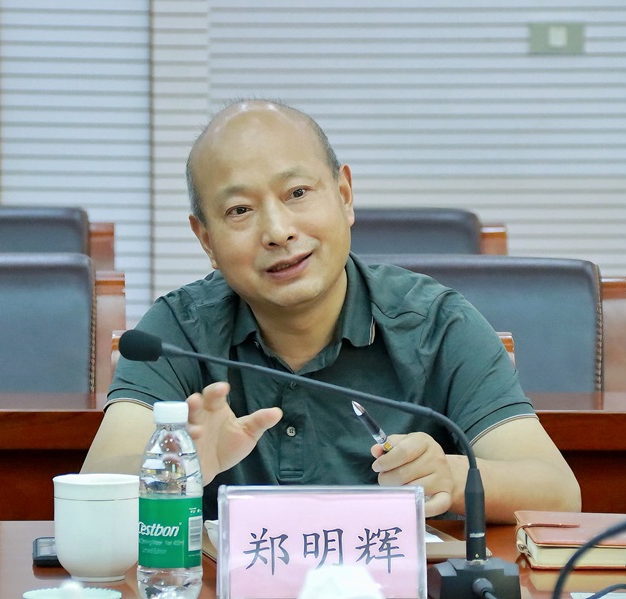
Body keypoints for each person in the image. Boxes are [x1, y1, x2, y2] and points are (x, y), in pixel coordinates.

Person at [82, 99, 581, 523]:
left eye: (297, 193)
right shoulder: (176, 332)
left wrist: (450, 474)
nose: (278, 231)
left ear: (344, 196)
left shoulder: (437, 324)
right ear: (206, 240)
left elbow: (557, 493)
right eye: (240, 210)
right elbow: (96, 489)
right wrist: (183, 464)